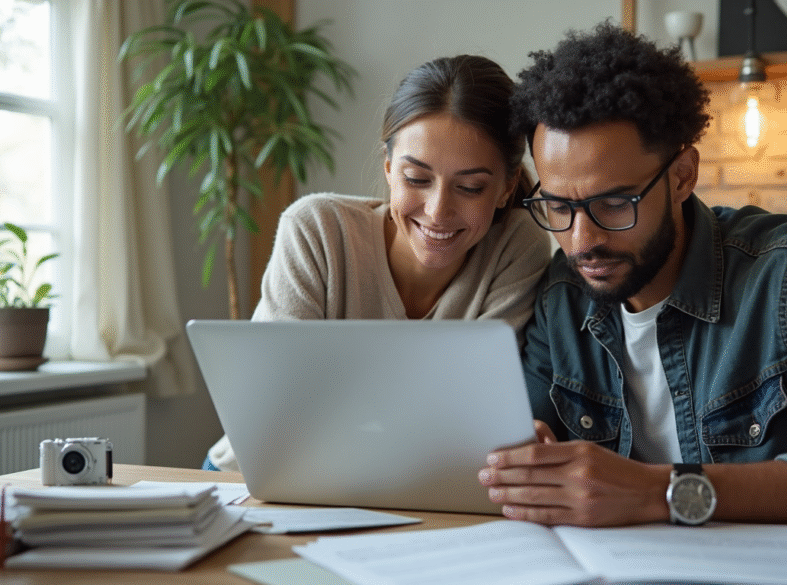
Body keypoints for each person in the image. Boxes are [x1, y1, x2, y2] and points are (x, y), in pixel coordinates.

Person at [478, 22, 787, 527]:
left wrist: (663, 491)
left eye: (614, 203)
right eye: (558, 207)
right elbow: (518, 444)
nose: (581, 240)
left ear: (682, 175)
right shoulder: (562, 298)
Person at [204, 54, 552, 472]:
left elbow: (478, 416)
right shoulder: (316, 229)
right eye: (417, 179)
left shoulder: (517, 243)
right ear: (389, 169)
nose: (438, 211)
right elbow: (276, 405)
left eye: (471, 187)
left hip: (415, 479)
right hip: (259, 472)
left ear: (506, 187)